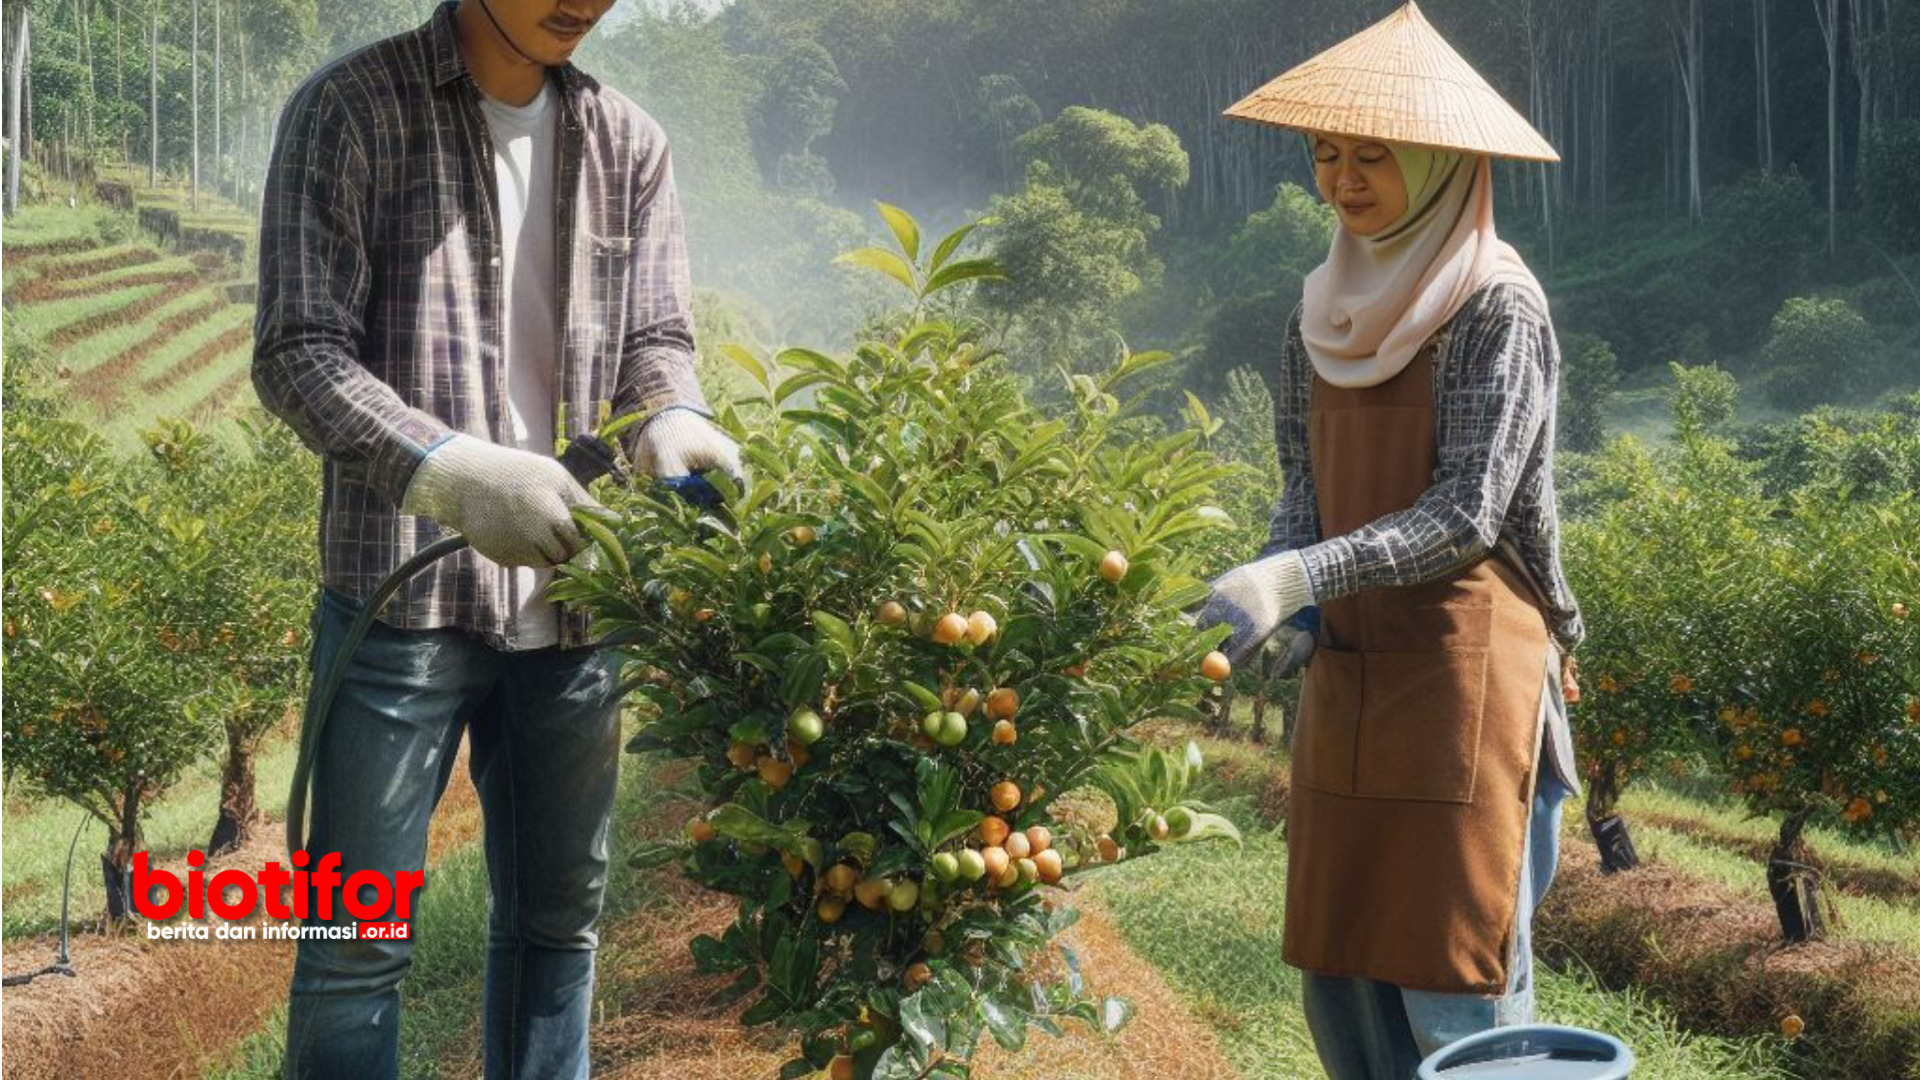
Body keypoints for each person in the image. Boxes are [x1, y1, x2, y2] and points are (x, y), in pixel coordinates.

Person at [251, 1, 740, 1076]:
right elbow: (297, 350)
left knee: (558, 936)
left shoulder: (629, 143)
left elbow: (656, 338)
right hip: (398, 607)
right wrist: (454, 473)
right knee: (352, 952)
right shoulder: (352, 110)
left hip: (577, 609)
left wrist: (673, 416)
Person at [1200, 3, 1586, 1077]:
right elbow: (1304, 485)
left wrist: (1297, 574)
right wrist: (1299, 597)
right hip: (1357, 674)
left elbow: (1467, 512)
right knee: (1343, 962)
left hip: (1468, 674)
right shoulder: (1319, 310)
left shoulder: (1496, 307)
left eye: (1373, 156)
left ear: (1442, 161)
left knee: (1451, 972)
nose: (1341, 180)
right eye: (1326, 154)